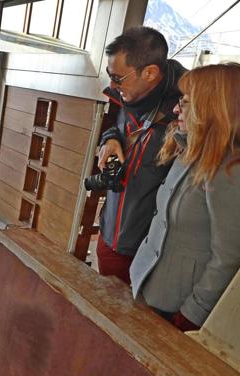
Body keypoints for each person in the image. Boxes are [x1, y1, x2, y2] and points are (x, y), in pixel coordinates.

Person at [129, 62, 240, 331]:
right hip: (150, 289)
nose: (176, 109)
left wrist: (192, 313)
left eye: (185, 102)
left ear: (210, 107)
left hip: (176, 309)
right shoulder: (190, 151)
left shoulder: (233, 171)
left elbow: (229, 257)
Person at [96, 27, 187, 284]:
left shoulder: (190, 108)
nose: (112, 85)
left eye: (117, 77)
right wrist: (110, 139)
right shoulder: (128, 93)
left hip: (151, 255)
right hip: (111, 235)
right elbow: (115, 123)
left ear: (150, 73)